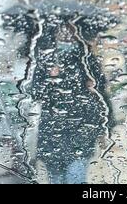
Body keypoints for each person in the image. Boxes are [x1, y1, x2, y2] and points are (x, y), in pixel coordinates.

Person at [31, 18, 112, 184]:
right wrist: (49, 78)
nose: (66, 33)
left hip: (81, 130)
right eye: (61, 29)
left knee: (76, 175)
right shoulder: (46, 60)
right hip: (53, 132)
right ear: (55, 32)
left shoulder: (86, 58)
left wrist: (105, 126)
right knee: (56, 178)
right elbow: (35, 92)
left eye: (69, 28)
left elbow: (101, 90)